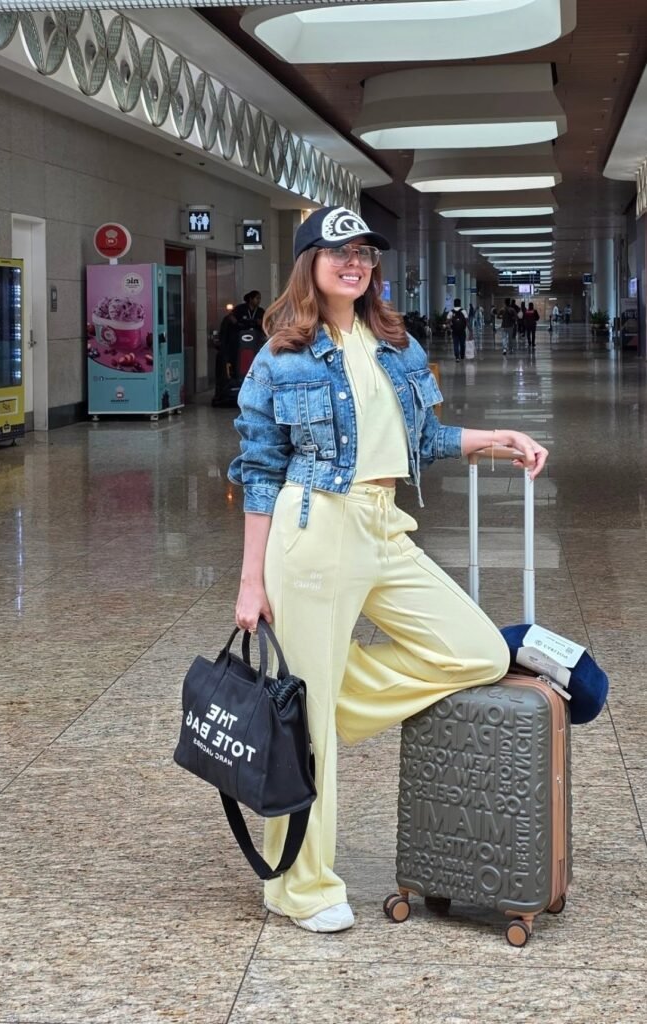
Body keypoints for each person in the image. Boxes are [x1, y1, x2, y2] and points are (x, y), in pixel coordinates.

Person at [228, 205, 548, 934]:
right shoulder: (281, 355)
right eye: (338, 250)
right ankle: (300, 886)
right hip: (311, 528)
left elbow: (425, 436)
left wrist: (493, 437)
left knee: (476, 649)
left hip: (382, 523)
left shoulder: (396, 345)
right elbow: (257, 470)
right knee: (305, 723)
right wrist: (252, 580)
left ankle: (319, 707)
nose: (355, 262)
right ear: (308, 262)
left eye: (365, 252)